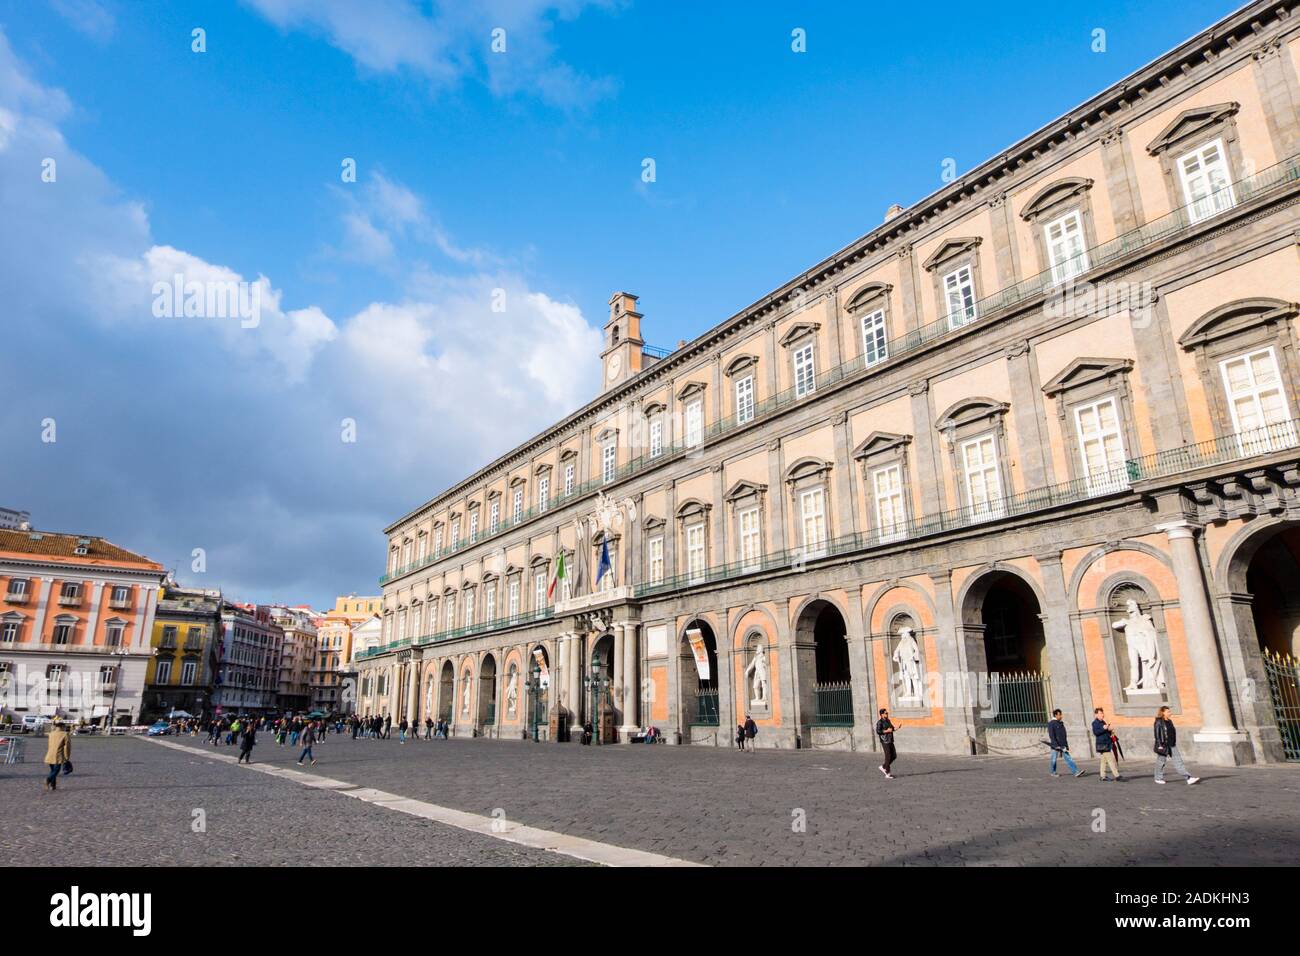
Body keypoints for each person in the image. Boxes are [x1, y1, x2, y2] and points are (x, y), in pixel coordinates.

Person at [1153, 706, 1199, 785]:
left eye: (1169, 711)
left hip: (1172, 745)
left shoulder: (1170, 721)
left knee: (1178, 762)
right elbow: (1157, 734)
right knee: (1161, 762)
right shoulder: (1158, 722)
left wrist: (1174, 742)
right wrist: (1160, 745)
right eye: (1168, 712)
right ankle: (1158, 778)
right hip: (1163, 746)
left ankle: (1188, 778)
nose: (1170, 713)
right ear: (1163, 712)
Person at [1047, 708, 1086, 777]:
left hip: (1062, 745)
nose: (1061, 716)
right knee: (1054, 760)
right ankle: (1053, 772)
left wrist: (1066, 745)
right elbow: (1051, 735)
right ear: (1055, 715)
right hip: (1055, 745)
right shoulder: (1051, 723)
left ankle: (1076, 772)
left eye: (1061, 714)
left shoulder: (1061, 723)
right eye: (1059, 715)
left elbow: (1063, 735)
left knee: (1068, 758)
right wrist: (1055, 745)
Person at [1092, 707, 1121, 781]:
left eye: (1102, 713)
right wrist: (1104, 728)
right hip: (1102, 744)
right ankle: (1117, 775)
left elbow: (1106, 732)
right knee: (1110, 760)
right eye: (1100, 713)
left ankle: (1102, 776)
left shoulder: (1103, 722)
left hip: (1107, 743)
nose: (1102, 714)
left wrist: (1110, 730)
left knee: (1103, 761)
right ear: (1096, 715)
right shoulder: (1095, 723)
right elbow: (1096, 732)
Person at [43, 721, 71, 792]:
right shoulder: (65, 734)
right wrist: (67, 757)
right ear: (62, 727)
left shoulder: (51, 734)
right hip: (58, 754)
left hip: (50, 754)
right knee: (56, 770)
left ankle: (53, 786)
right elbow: (67, 747)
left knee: (53, 770)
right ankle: (47, 780)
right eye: (64, 727)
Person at [876, 707, 899, 778]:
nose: (887, 714)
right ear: (882, 714)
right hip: (885, 741)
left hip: (890, 740)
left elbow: (891, 728)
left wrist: (896, 728)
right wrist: (887, 731)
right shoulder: (879, 722)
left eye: (887, 713)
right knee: (888, 756)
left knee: (894, 756)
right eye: (886, 713)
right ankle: (887, 773)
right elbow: (878, 731)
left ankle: (883, 766)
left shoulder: (888, 721)